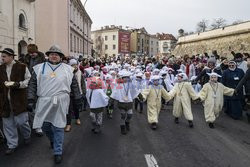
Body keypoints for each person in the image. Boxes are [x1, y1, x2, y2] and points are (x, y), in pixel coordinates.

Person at [27, 45, 82, 164]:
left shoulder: (68, 69)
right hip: (44, 100)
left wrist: (78, 97)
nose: (54, 56)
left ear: (61, 57)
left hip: (61, 100)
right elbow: (32, 85)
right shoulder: (38, 68)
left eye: (56, 54)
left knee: (58, 126)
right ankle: (52, 139)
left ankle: (58, 151)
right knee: (44, 125)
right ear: (48, 55)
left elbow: (74, 85)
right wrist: (30, 99)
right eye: (52, 54)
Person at [0, 48, 31, 155]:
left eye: (4, 56)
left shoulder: (22, 67)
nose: (2, 58)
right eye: (2, 56)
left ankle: (27, 135)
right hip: (5, 101)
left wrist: (18, 84)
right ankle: (12, 145)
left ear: (11, 56)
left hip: (19, 100)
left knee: (22, 122)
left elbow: (28, 80)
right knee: (8, 124)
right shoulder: (0, 68)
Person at [23, 44, 46, 137]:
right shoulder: (25, 59)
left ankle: (38, 126)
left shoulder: (43, 60)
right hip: (28, 85)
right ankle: (36, 126)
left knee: (38, 106)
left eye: (33, 52)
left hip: (40, 85)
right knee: (31, 106)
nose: (32, 54)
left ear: (37, 51)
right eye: (30, 53)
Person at [110, 70, 139, 135]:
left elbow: (134, 90)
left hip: (129, 102)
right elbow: (115, 92)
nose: (126, 79)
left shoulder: (130, 84)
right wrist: (111, 99)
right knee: (123, 115)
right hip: (122, 102)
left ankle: (127, 122)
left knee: (130, 115)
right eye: (125, 77)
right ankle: (122, 127)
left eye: (127, 77)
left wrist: (139, 95)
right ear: (122, 78)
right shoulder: (119, 85)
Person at [65, 59, 85, 132]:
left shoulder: (80, 73)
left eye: (76, 65)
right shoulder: (67, 73)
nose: (75, 66)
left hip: (78, 92)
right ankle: (68, 124)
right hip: (69, 93)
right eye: (73, 65)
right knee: (68, 109)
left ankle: (77, 118)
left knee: (76, 107)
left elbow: (83, 84)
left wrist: (84, 92)